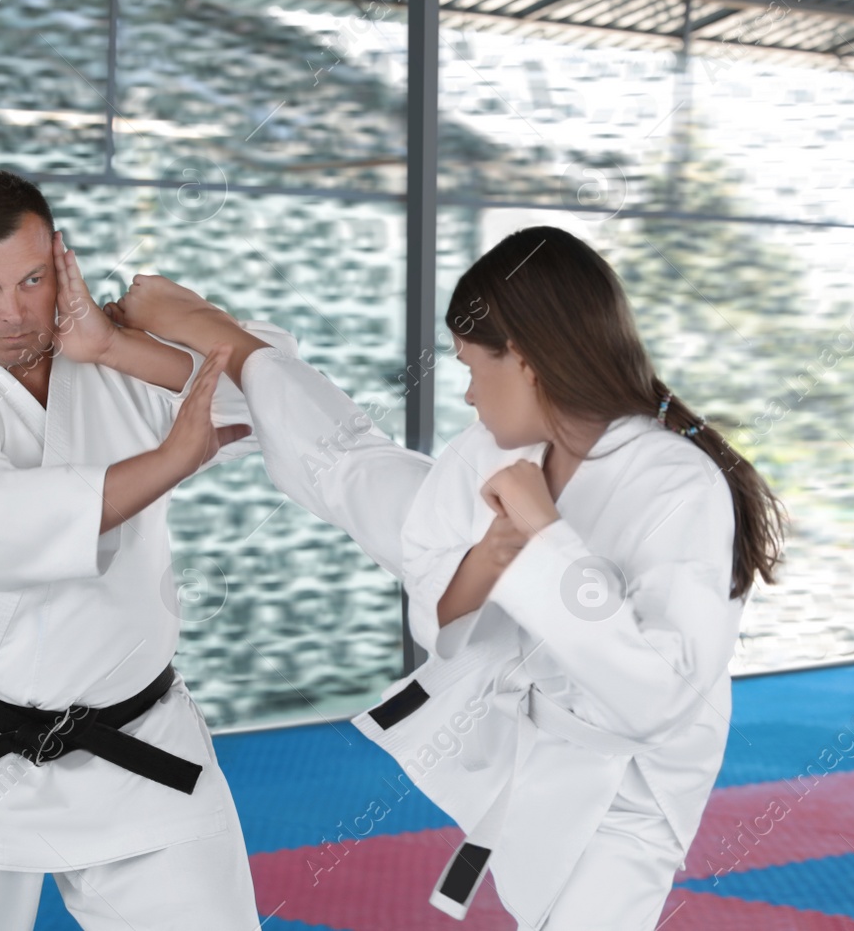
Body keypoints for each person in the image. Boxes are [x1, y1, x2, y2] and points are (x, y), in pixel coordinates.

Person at [107, 225, 787, 929]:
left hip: (632, 781)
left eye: (470, 367)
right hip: (526, 728)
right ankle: (224, 347)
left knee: (352, 468)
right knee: (349, 469)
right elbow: (440, 607)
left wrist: (541, 534)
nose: (465, 394)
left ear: (522, 360)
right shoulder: (491, 449)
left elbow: (658, 696)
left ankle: (224, 349)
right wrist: (496, 549)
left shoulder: (678, 484)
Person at [0, 170, 299, 931]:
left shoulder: (116, 361)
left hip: (142, 746)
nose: (14, 312)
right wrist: (172, 460)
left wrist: (121, 342)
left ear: (62, 260)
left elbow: (279, 395)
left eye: (32, 279)